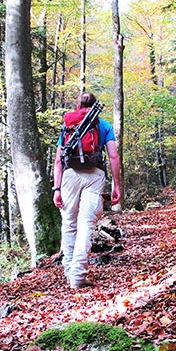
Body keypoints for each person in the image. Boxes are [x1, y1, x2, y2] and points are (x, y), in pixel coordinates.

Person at [52, 92, 122, 289]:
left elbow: (58, 159)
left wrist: (56, 188)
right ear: (95, 104)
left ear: (78, 105)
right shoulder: (103, 125)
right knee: (86, 224)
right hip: (94, 175)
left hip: (69, 176)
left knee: (69, 223)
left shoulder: (68, 125)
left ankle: (68, 270)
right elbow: (114, 156)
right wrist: (116, 185)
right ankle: (78, 274)